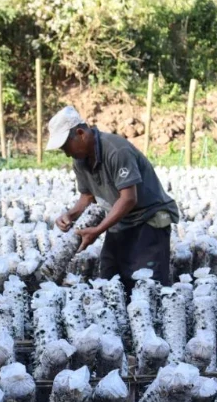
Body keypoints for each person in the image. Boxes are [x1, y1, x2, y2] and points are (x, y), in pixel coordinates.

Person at [46, 106, 180, 293]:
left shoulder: (116, 151)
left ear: (80, 133)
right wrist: (70, 214)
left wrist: (98, 230)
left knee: (147, 285)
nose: (67, 153)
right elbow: (87, 196)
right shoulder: (80, 160)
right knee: (110, 279)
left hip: (148, 219)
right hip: (121, 220)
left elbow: (128, 199)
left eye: (66, 147)